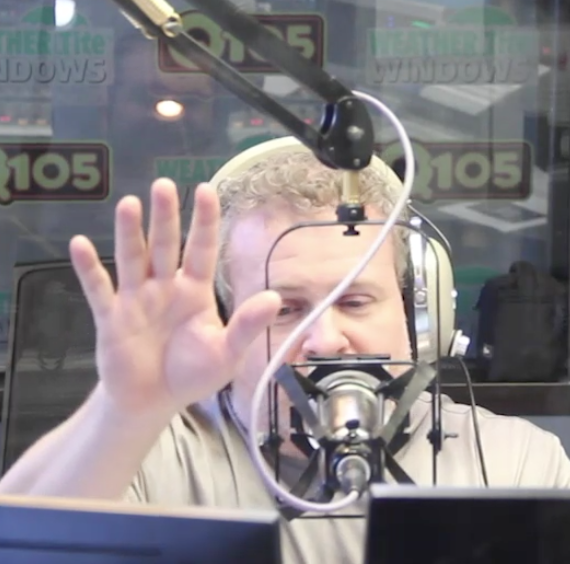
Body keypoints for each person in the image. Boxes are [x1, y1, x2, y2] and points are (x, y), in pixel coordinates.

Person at [1, 137, 570, 564]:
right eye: (285, 309)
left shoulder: (516, 463)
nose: (326, 340)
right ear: (225, 321)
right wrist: (125, 412)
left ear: (420, 316)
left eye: (355, 302)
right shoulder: (148, 455)